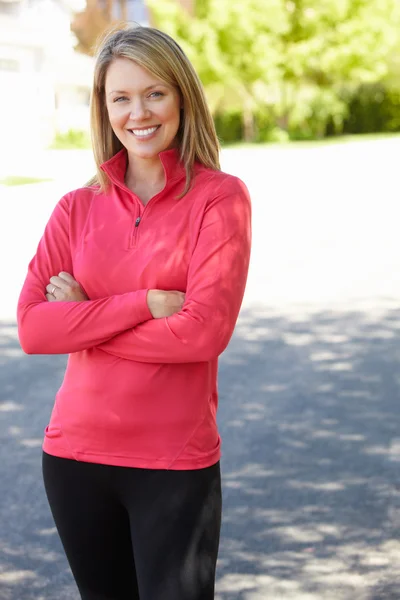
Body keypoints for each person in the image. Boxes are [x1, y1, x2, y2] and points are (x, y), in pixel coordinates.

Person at [17, 24, 251, 600]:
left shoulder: (220, 198)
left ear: (181, 97)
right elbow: (31, 328)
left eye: (155, 93)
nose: (137, 112)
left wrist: (86, 320)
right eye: (120, 97)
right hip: (74, 459)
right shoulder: (75, 207)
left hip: (173, 462)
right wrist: (141, 304)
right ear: (104, 108)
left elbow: (201, 334)